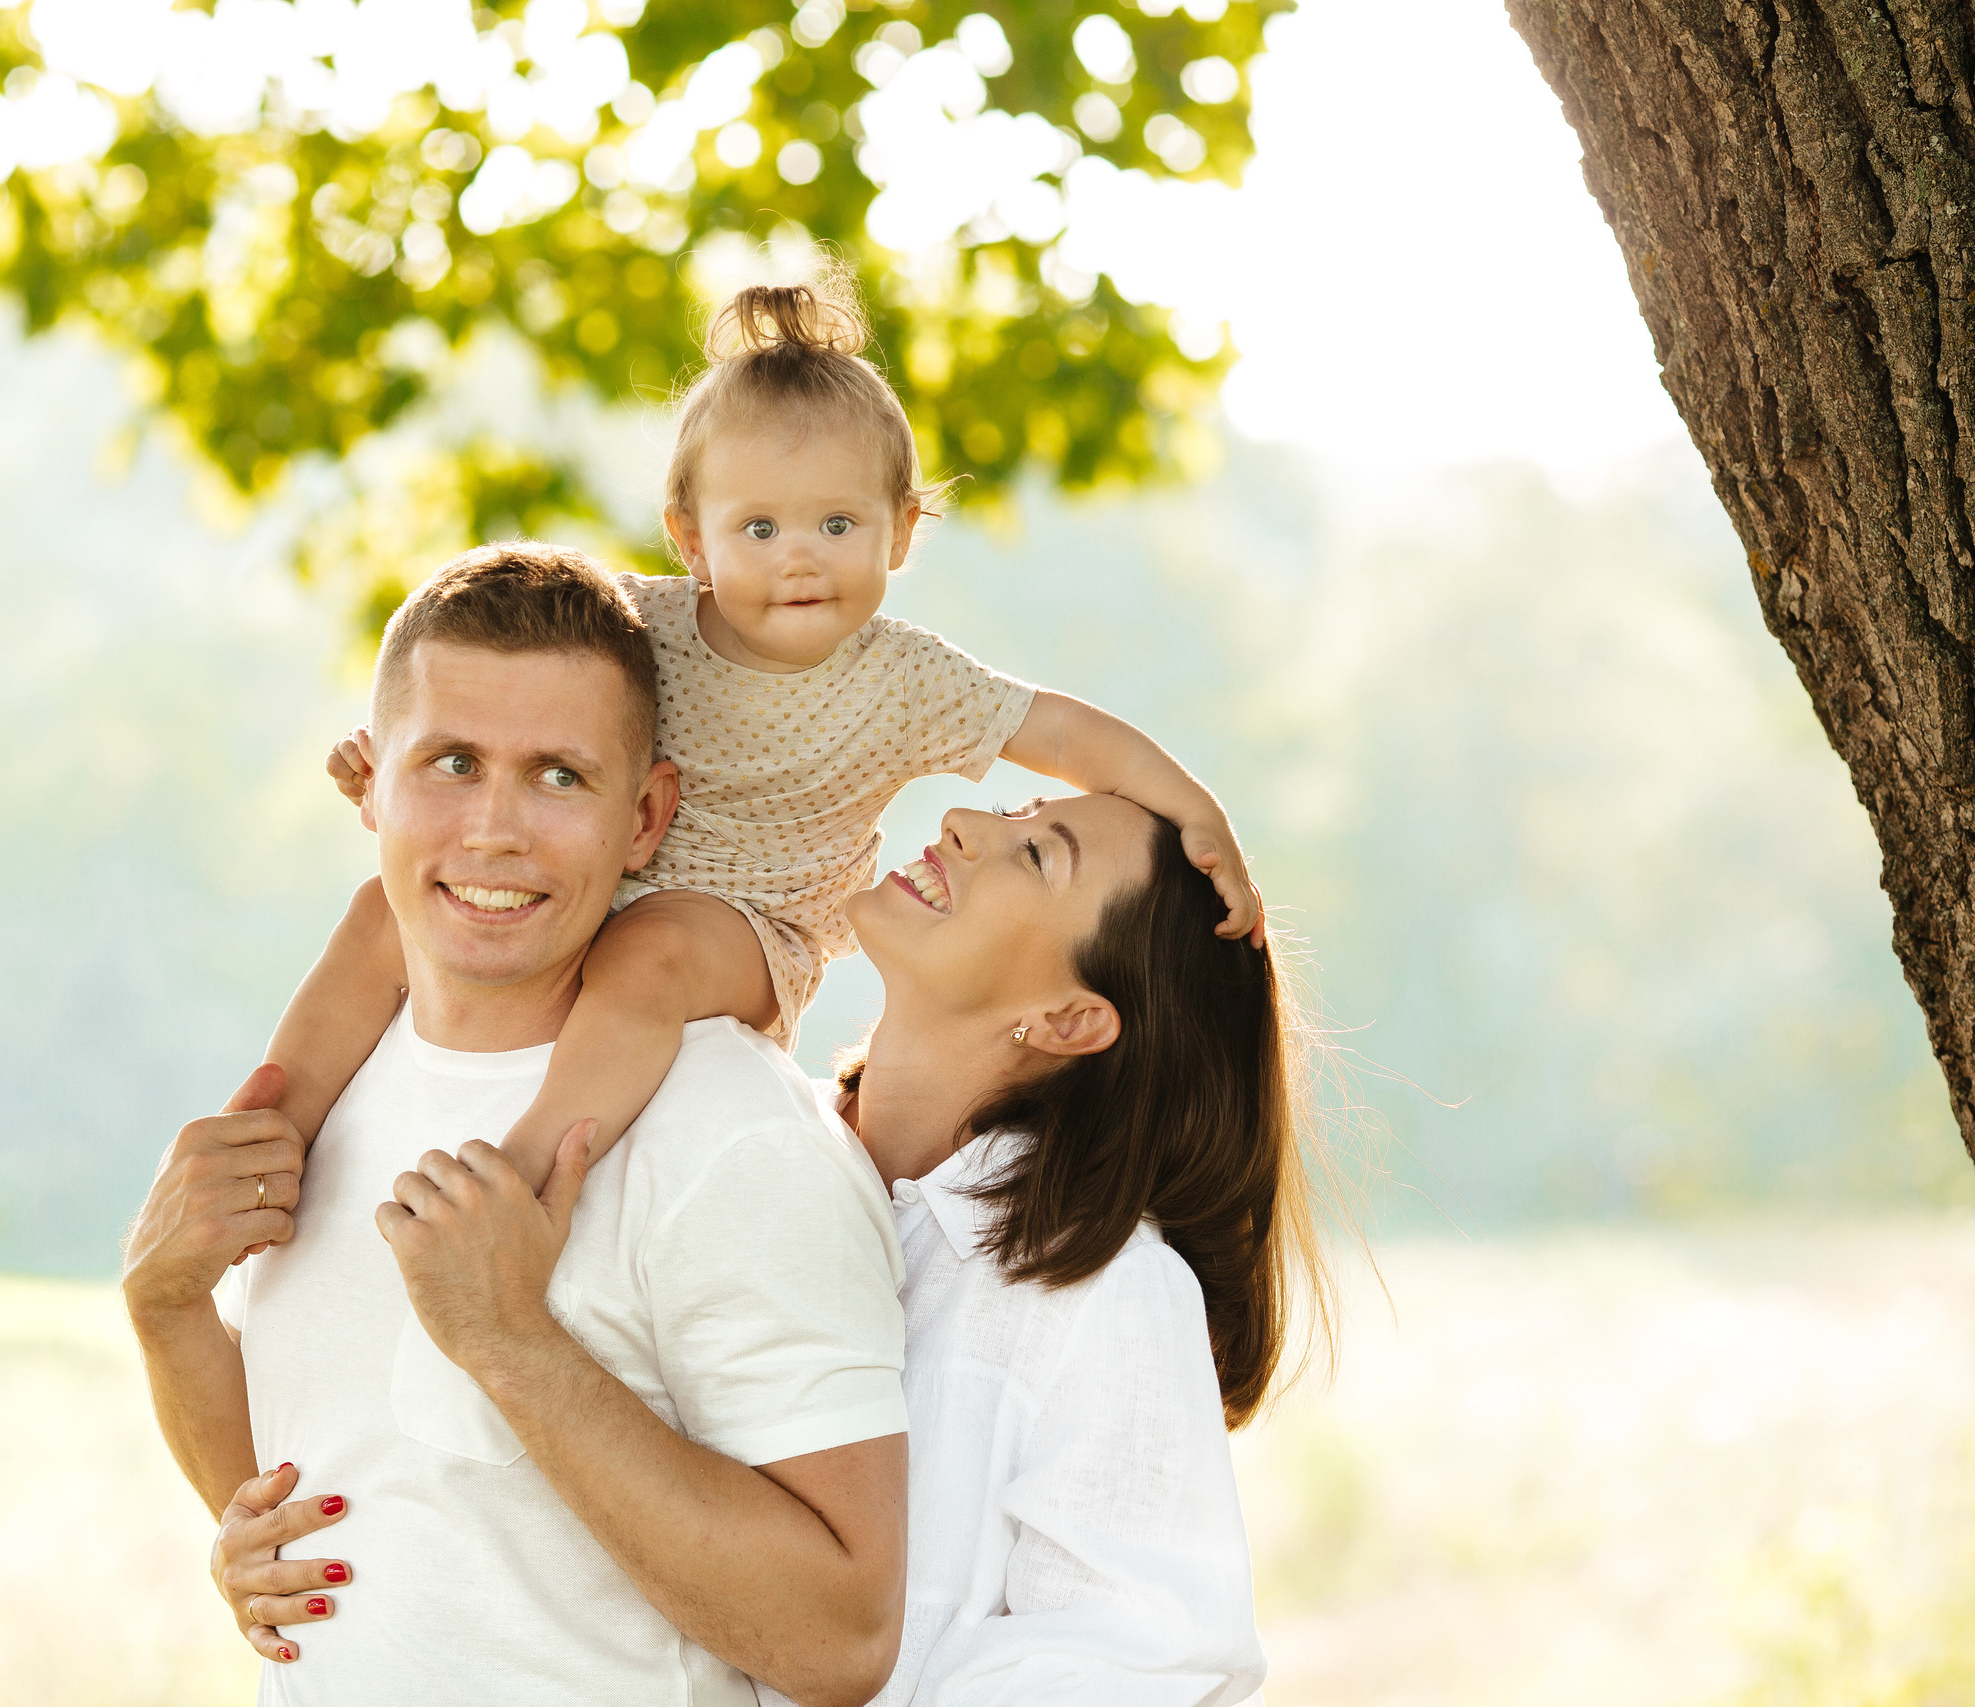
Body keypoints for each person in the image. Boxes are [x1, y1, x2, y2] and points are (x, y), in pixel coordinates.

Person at [269, 263, 1264, 1211]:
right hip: (599, 883)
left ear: (901, 532)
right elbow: (498, 708)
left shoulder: (905, 678)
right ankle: (274, 1121)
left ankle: (535, 1165)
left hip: (749, 929)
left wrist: (1196, 810)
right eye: (758, 531)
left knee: (649, 957)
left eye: (837, 526)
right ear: (691, 537)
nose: (799, 560)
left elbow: (1067, 735)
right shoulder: (639, 626)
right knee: (378, 912)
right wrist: (397, 774)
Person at [121, 543, 915, 1707]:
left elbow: (844, 1641)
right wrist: (165, 1306)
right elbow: (325, 1485)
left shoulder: (732, 1130)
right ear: (372, 786)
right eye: (451, 763)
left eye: (557, 777)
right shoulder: (339, 1087)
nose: (495, 830)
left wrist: (510, 1342)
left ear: (645, 817)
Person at [337, 790, 1319, 1705]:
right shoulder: (719, 1135)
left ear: (1066, 1019)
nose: (967, 821)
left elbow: (1140, 1667)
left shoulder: (1097, 1295)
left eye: (1036, 854)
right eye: (1012, 808)